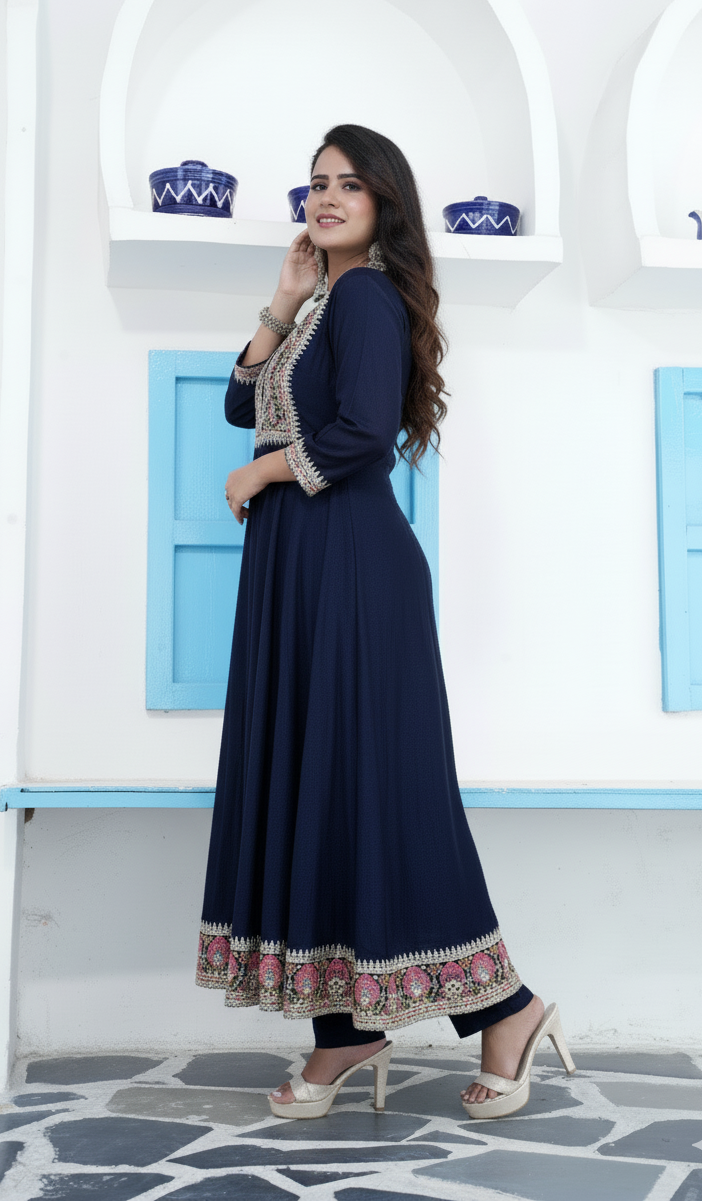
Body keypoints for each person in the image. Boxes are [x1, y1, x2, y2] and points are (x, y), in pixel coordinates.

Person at [195, 123, 574, 1120]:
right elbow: (245, 403)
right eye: (314, 184)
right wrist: (279, 302)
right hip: (302, 568)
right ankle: (348, 1028)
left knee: (379, 792)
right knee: (323, 788)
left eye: (348, 185)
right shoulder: (321, 301)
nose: (324, 198)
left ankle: (510, 1009)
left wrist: (261, 475)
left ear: (383, 206)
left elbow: (358, 435)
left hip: (351, 568)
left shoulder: (364, 297)